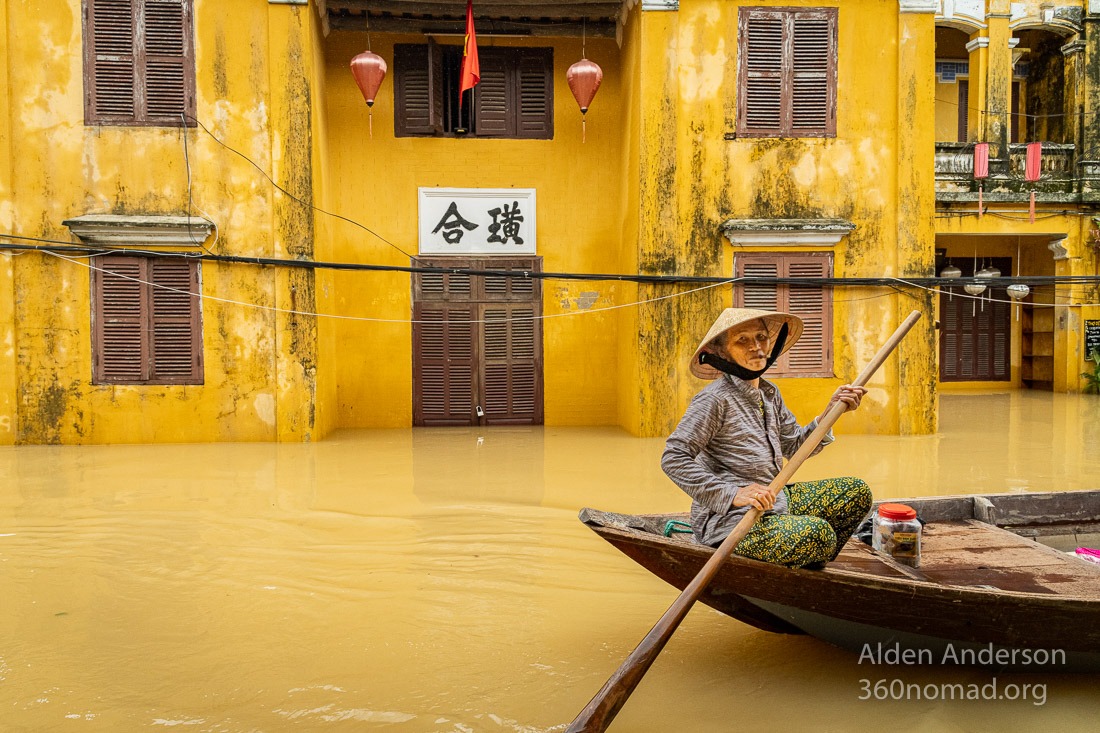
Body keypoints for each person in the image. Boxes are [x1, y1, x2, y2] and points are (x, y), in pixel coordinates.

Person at [661, 307, 872, 569]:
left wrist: (830, 414)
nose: (756, 347)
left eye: (761, 337)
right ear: (721, 353)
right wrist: (732, 494)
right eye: (742, 340)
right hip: (731, 520)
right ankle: (793, 558)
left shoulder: (769, 394)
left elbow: (795, 446)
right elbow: (673, 458)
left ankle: (803, 567)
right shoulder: (714, 400)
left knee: (855, 492)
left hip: (773, 500)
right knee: (818, 534)